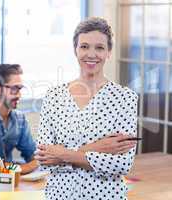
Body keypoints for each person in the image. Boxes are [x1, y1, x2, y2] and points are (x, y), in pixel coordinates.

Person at [35, 17, 138, 200]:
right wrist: (96, 148)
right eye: (84, 46)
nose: (91, 54)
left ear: (109, 52)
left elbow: (122, 164)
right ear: (75, 50)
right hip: (59, 196)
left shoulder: (125, 98)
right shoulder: (53, 96)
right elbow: (44, 161)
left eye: (99, 47)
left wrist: (62, 154)